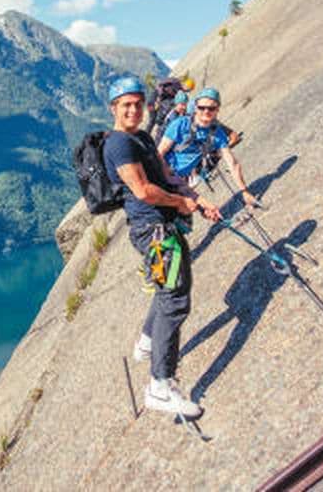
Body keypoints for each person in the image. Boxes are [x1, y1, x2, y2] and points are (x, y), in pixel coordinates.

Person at [103, 76, 221, 418]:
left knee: (166, 288)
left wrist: (195, 198)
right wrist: (180, 203)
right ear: (113, 108)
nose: (133, 110)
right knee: (175, 299)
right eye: (126, 105)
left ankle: (146, 341)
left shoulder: (141, 137)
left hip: (162, 225)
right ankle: (160, 386)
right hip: (153, 230)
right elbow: (142, 191)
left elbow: (166, 173)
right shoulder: (118, 145)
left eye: (138, 103)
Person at [158, 88, 256, 206]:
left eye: (211, 108)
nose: (206, 111)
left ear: (217, 110)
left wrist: (244, 191)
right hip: (161, 176)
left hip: (180, 181)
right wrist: (168, 177)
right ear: (195, 108)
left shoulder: (217, 133)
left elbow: (233, 164)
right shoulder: (180, 124)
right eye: (202, 108)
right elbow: (159, 153)